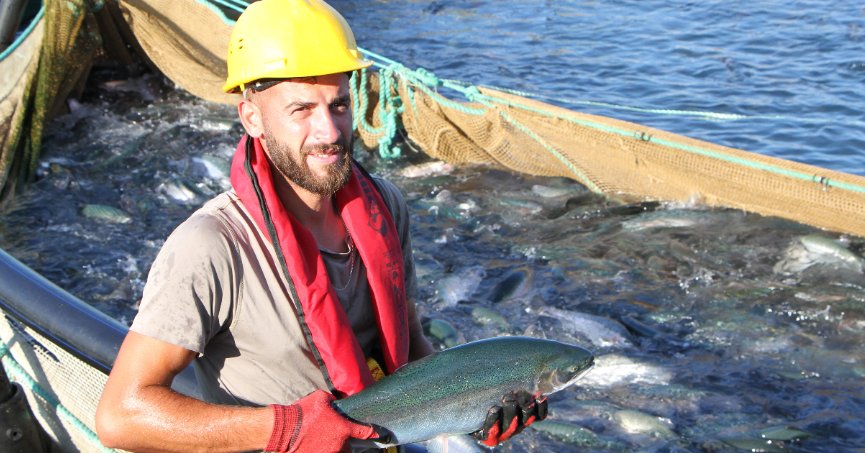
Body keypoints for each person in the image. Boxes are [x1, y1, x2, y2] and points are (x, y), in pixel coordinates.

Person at [95, 1, 545, 452]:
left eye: (339, 105)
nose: (329, 131)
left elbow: (411, 350)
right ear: (252, 118)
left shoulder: (385, 206)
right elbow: (121, 415)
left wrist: (475, 411)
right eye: (301, 110)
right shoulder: (211, 245)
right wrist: (284, 428)